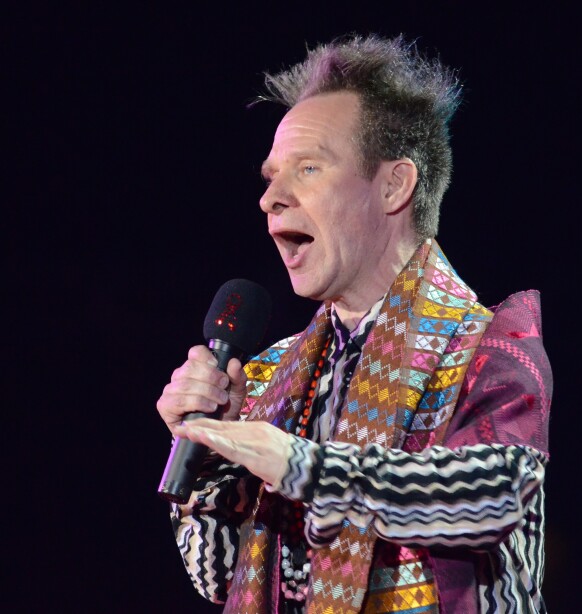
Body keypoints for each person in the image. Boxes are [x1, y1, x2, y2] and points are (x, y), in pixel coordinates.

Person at [156, 34, 552, 614]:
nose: (271, 198)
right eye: (269, 177)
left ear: (394, 186)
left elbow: (488, 501)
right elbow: (218, 575)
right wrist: (211, 447)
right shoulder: (272, 375)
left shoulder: (490, 346)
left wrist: (304, 468)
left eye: (308, 168)